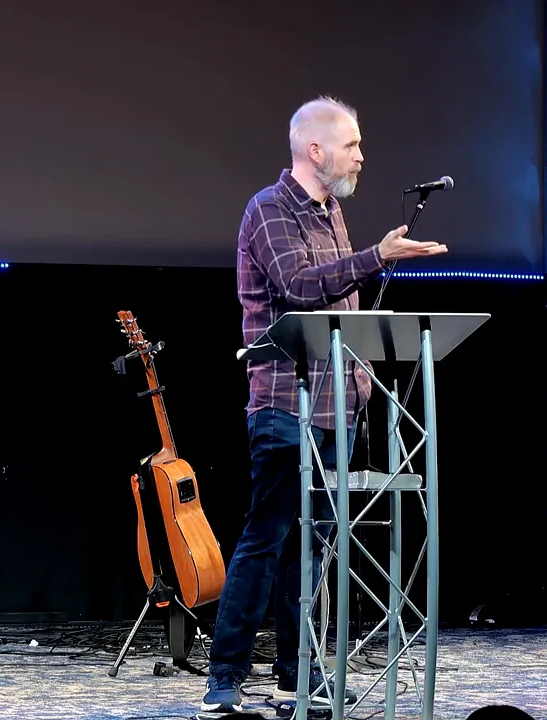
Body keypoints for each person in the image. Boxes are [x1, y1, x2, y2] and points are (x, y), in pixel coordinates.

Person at [201, 95, 447, 713]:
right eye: (352, 145)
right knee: (269, 535)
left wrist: (362, 377)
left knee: (312, 547)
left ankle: (295, 671)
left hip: (338, 405)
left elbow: (340, 300)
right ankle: (225, 677)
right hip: (285, 403)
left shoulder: (331, 210)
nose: (361, 156)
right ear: (316, 151)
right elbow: (300, 289)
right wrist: (376, 256)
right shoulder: (269, 209)